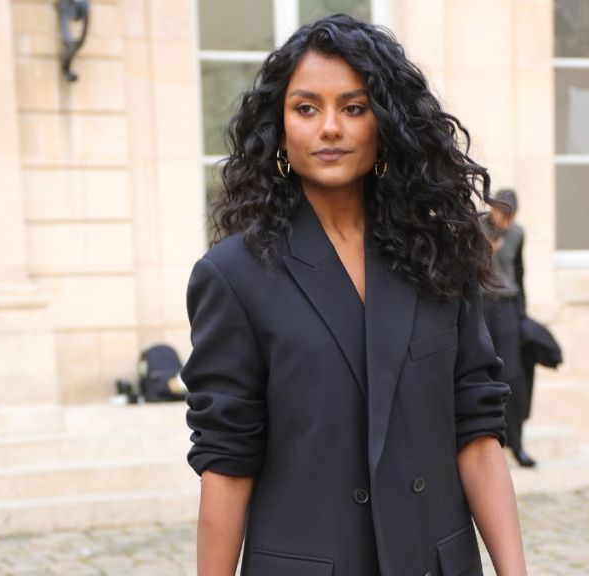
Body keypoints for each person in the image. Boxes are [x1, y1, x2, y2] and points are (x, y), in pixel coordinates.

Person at [182, 15, 527, 576]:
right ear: (280, 128)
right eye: (306, 108)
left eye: (354, 107)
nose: (330, 128)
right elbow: (227, 463)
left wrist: (514, 571)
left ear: (385, 124)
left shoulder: (439, 255)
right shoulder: (233, 276)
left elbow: (477, 433)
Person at [480, 189, 535, 468]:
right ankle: (486, 447)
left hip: (509, 306)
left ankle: (517, 443)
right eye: (505, 214)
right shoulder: (476, 226)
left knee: (513, 376)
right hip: (481, 306)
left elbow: (519, 272)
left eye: (513, 216)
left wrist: (523, 315)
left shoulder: (517, 234)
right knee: (484, 374)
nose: (508, 222)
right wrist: (485, 251)